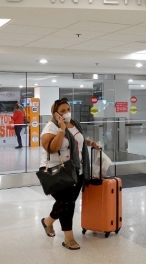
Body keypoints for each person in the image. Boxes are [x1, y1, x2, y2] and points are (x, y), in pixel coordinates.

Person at [39, 98, 100, 250]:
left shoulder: (74, 123)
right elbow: (51, 148)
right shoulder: (50, 127)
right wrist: (60, 129)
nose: (67, 113)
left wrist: (90, 143)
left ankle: (47, 222)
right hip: (57, 171)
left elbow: (77, 140)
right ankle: (69, 238)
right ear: (55, 113)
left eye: (68, 109)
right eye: (63, 111)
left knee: (66, 201)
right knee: (67, 202)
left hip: (75, 170)